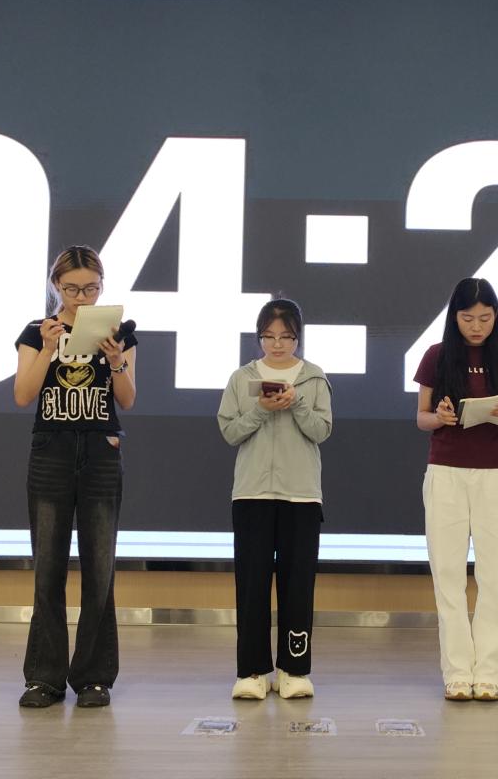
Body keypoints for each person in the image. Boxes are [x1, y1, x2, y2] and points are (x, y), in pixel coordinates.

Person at [12, 245, 136, 709]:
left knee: (100, 569)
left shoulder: (119, 333)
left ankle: (94, 677)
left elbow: (128, 399)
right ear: (55, 286)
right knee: (48, 568)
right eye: (72, 289)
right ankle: (44, 677)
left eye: (91, 288)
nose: (82, 298)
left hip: (101, 453)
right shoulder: (36, 331)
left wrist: (117, 360)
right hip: (52, 452)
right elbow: (23, 394)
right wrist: (48, 349)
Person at [414, 277, 498, 702]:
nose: (477, 326)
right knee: (447, 574)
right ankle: (456, 672)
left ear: (496, 316)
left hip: (497, 474)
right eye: (468, 318)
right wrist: (441, 417)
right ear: (455, 317)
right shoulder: (437, 356)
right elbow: (422, 417)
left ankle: (490, 673)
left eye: (485, 318)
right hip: (446, 470)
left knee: (495, 575)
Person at [217, 299, 332, 700]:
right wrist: (262, 410)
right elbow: (230, 432)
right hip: (251, 493)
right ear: (259, 337)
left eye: (286, 337)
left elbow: (321, 430)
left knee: (298, 584)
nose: (277, 344)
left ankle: (294, 669)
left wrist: (295, 402)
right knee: (252, 584)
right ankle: (252, 671)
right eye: (269, 336)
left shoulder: (314, 378)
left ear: (298, 337)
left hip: (302, 494)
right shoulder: (242, 378)